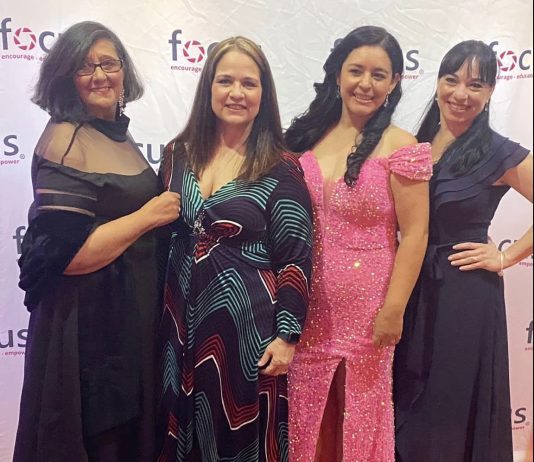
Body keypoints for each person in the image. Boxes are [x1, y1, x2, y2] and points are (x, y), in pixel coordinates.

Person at [14, 21, 180, 462]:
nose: (100, 75)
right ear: (66, 77)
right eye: (85, 67)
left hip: (126, 318)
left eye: (109, 63)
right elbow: (66, 257)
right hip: (90, 330)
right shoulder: (66, 140)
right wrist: (148, 216)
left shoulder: (114, 132)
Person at [156, 36, 313, 462]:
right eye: (225, 81)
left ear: (264, 94)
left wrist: (287, 336)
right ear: (208, 87)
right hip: (180, 323)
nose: (236, 93)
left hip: (247, 330)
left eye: (249, 83)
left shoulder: (281, 165)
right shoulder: (177, 154)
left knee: (238, 436)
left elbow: (296, 256)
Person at [284, 25, 432, 462]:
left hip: (369, 307)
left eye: (379, 74)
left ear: (395, 82)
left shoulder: (402, 146)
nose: (365, 84)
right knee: (307, 411)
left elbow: (416, 234)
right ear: (337, 75)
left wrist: (394, 308)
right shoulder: (308, 138)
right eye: (356, 71)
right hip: (305, 304)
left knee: (360, 410)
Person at [393, 40, 533, 462]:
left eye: (475, 84)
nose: (461, 94)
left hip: (465, 293)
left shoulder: (497, 150)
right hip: (410, 286)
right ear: (437, 82)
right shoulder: (412, 142)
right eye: (451, 80)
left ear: (490, 92)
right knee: (405, 400)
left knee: (451, 403)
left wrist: (507, 257)